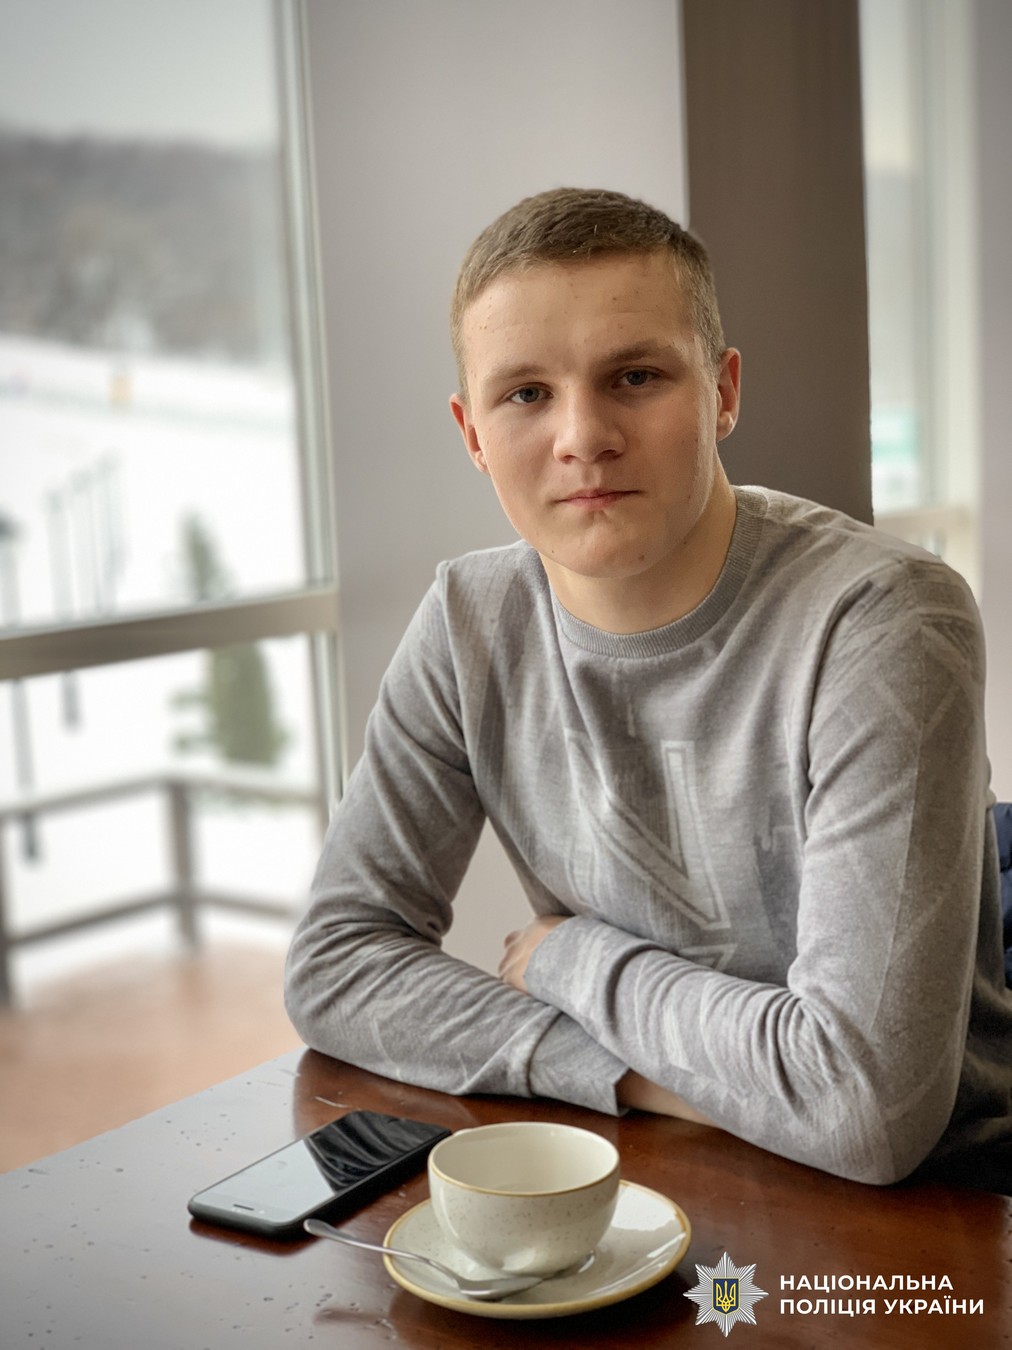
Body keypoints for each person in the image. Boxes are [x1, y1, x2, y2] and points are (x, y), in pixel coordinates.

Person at [285, 187, 1012, 1190]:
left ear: (723, 391)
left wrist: (567, 959)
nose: (582, 436)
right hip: (650, 1163)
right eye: (525, 394)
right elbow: (335, 965)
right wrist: (630, 1076)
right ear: (472, 433)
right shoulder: (468, 622)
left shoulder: (882, 618)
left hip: (931, 1210)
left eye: (634, 376)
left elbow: (867, 1111)